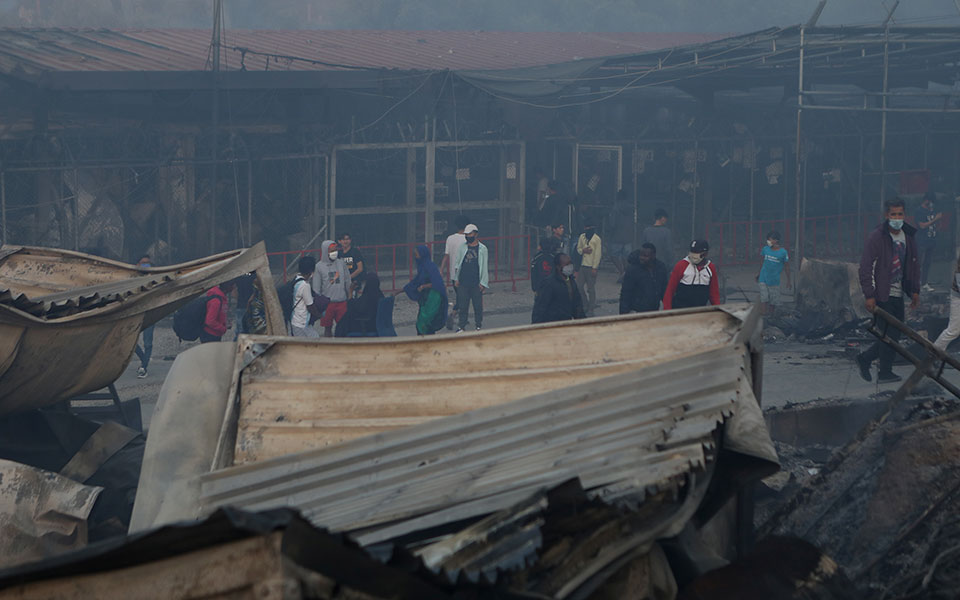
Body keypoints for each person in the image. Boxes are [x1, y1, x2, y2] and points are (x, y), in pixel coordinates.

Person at [855, 198, 920, 384]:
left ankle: (866, 359)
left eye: (900, 214)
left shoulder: (908, 236)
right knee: (888, 334)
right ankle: (884, 372)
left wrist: (915, 290)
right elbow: (865, 267)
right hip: (882, 294)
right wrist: (869, 294)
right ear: (886, 215)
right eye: (893, 214)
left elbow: (914, 265)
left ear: (904, 215)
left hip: (900, 292)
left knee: (894, 334)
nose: (897, 218)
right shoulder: (877, 236)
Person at [403, 245, 448, 335]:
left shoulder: (431, 267)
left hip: (432, 299)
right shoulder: (422, 267)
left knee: (426, 323)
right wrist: (401, 290)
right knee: (421, 324)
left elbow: (437, 283)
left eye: (417, 255)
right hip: (424, 300)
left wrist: (424, 286)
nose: (416, 257)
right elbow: (415, 282)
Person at [663, 239, 720, 310]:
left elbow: (714, 293)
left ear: (705, 254)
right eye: (692, 252)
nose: (694, 255)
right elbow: (670, 290)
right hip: (680, 310)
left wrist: (718, 309)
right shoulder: (681, 265)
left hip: (700, 311)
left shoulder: (710, 267)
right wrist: (667, 310)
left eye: (697, 253)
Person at [453, 224, 489, 332]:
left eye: (470, 234)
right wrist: (456, 278)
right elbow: (457, 264)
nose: (468, 236)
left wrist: (483, 282)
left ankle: (478, 325)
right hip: (463, 281)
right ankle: (461, 326)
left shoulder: (482, 249)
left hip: (476, 282)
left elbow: (484, 267)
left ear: (475, 234)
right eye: (466, 234)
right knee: (463, 306)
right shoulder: (462, 247)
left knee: (477, 306)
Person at [532, 253, 586, 324]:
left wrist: (583, 322)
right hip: (551, 324)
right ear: (558, 267)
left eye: (570, 263)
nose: (570, 267)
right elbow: (540, 307)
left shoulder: (571, 281)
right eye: (566, 264)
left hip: (566, 323)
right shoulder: (549, 283)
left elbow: (577, 304)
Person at [313, 240, 352, 338]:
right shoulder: (319, 266)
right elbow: (316, 288)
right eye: (331, 251)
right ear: (326, 251)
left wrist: (350, 296)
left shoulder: (341, 263)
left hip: (342, 301)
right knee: (327, 328)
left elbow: (347, 281)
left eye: (335, 250)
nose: (334, 252)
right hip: (327, 304)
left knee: (343, 327)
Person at [619, 245, 667, 314]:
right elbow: (625, 294)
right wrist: (624, 314)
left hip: (654, 310)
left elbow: (664, 289)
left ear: (653, 256)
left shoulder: (660, 268)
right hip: (636, 311)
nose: (642, 258)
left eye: (645, 256)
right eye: (641, 255)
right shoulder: (633, 270)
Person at [441, 214, 470, 329]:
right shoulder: (469, 239)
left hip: (454, 275)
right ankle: (454, 315)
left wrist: (441, 270)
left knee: (461, 297)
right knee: (465, 298)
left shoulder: (450, 238)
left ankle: (463, 317)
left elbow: (446, 256)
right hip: (467, 274)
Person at [756, 230, 791, 316]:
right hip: (763, 277)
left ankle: (770, 315)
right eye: (768, 239)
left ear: (776, 240)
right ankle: (763, 314)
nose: (768, 241)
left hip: (774, 279)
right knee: (764, 297)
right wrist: (759, 273)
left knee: (773, 300)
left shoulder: (783, 252)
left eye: (770, 239)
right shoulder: (765, 249)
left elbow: (787, 266)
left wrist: (788, 280)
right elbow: (761, 261)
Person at [290, 256, 323, 338]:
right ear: (311, 271)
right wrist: (319, 315)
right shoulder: (305, 286)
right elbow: (310, 306)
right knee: (316, 341)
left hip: (295, 320)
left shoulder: (296, 280)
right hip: (302, 323)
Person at [607, 192, 635, 283]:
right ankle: (626, 275)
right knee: (626, 257)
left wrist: (610, 233)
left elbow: (612, 224)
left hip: (617, 236)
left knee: (613, 255)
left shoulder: (615, 208)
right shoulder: (631, 208)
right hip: (628, 236)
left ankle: (622, 272)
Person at [576, 220, 602, 316]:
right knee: (579, 287)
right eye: (586, 228)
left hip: (591, 266)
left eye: (589, 228)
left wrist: (595, 268)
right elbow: (578, 249)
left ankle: (591, 308)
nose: (587, 229)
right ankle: (585, 304)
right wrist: (583, 250)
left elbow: (598, 254)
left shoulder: (597, 239)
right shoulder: (582, 237)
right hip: (583, 266)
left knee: (590, 289)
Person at [134, 254, 154, 377]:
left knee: (148, 343)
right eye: (143, 263)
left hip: (150, 313)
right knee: (131, 342)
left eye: (148, 264)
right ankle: (143, 359)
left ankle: (143, 367)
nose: (146, 266)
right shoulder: (134, 278)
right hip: (136, 314)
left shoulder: (153, 279)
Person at [917, 192, 941, 292]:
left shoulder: (931, 211)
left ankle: (924, 283)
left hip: (931, 240)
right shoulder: (919, 211)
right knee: (919, 263)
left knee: (927, 263)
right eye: (930, 202)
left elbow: (936, 224)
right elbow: (921, 225)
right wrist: (935, 219)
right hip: (922, 241)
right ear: (926, 200)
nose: (931, 204)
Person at [337, 232, 366, 296]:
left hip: (353, 282)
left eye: (347, 239)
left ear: (350, 240)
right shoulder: (338, 254)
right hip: (341, 283)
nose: (345, 241)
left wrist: (348, 278)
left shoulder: (355, 252)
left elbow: (360, 268)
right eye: (343, 239)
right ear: (339, 241)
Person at [233, 272, 255, 340]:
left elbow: (234, 291)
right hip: (249, 306)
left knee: (240, 330)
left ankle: (236, 345)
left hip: (241, 305)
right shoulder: (254, 275)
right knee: (249, 329)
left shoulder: (238, 275)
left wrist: (238, 300)